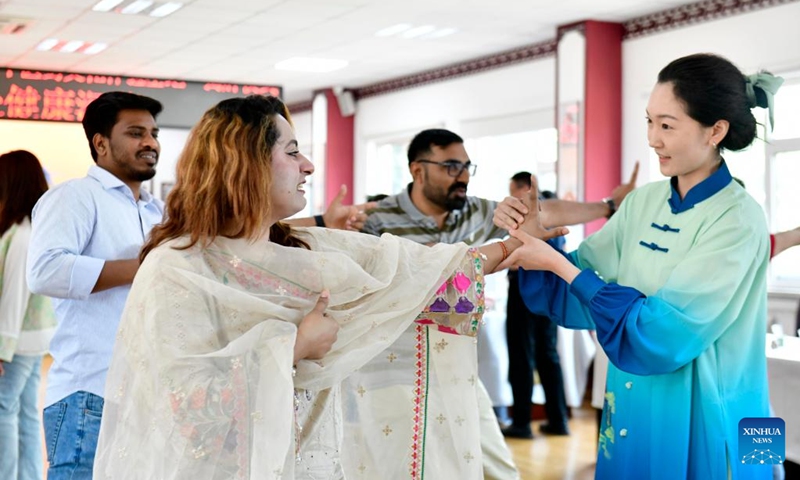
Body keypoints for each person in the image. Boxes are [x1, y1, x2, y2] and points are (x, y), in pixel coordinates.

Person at [92, 95, 562, 480]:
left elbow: (419, 271)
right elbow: (184, 406)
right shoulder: (178, 268)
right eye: (292, 152)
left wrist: (512, 245)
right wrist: (293, 346)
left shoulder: (303, 249)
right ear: (246, 165)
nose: (309, 165)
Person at [495, 53, 783, 479]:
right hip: (633, 401)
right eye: (649, 121)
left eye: (667, 125)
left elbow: (663, 331)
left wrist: (562, 268)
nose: (653, 138)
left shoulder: (740, 218)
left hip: (720, 413)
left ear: (715, 131)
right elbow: (580, 284)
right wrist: (535, 239)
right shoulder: (643, 202)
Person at [348, 128, 638, 480]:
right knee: (400, 467)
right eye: (452, 166)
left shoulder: (473, 212)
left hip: (456, 364)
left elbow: (543, 213)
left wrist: (609, 206)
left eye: (468, 166)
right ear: (417, 170)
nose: (464, 176)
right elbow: (389, 283)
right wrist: (499, 253)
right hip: (393, 367)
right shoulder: (376, 221)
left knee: (498, 467)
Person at [26, 91, 165, 479]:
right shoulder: (75, 197)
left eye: (153, 133)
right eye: (136, 133)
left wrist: (320, 223)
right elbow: (45, 271)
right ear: (100, 143)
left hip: (146, 394)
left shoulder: (157, 210)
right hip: (90, 394)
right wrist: (143, 267)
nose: (150, 143)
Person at [0, 150, 56, 480]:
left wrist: (2, 350)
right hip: (31, 339)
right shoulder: (28, 230)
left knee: (5, 411)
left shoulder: (20, 233)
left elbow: (13, 299)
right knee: (23, 413)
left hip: (17, 342)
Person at [502, 175, 569, 439]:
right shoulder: (554, 211)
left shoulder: (530, 214)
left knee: (521, 356)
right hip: (551, 290)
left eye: (512, 191)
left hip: (524, 287)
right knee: (548, 355)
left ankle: (521, 422)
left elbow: (520, 256)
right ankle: (558, 419)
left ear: (524, 189)